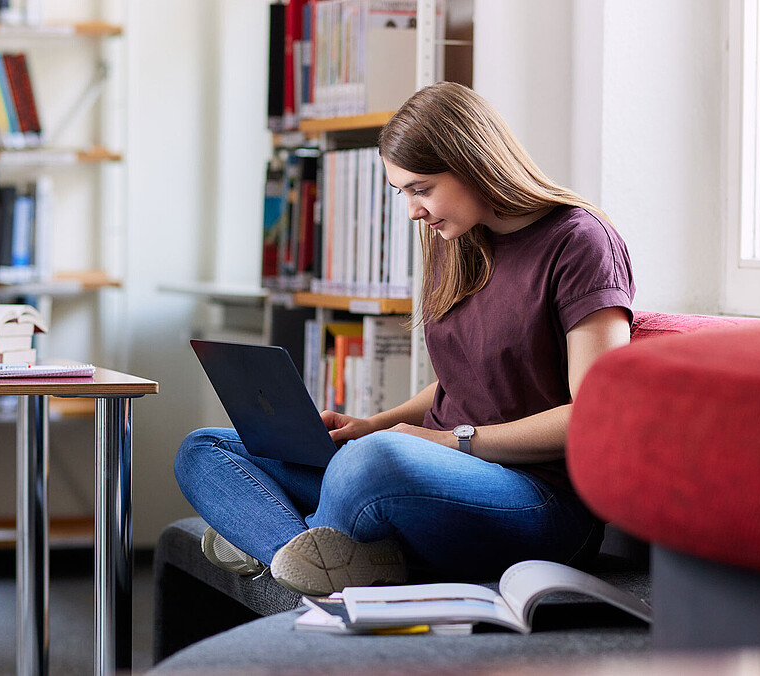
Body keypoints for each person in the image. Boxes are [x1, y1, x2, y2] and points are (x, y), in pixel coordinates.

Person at [174, 81, 635, 596]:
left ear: (475, 160)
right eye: (403, 193)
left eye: (421, 188)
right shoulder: (456, 239)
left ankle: (272, 537)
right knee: (206, 448)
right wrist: (375, 423)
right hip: (429, 471)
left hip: (539, 499)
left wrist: (440, 443)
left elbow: (594, 413)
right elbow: (459, 384)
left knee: (375, 460)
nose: (414, 210)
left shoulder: (580, 241)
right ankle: (310, 552)